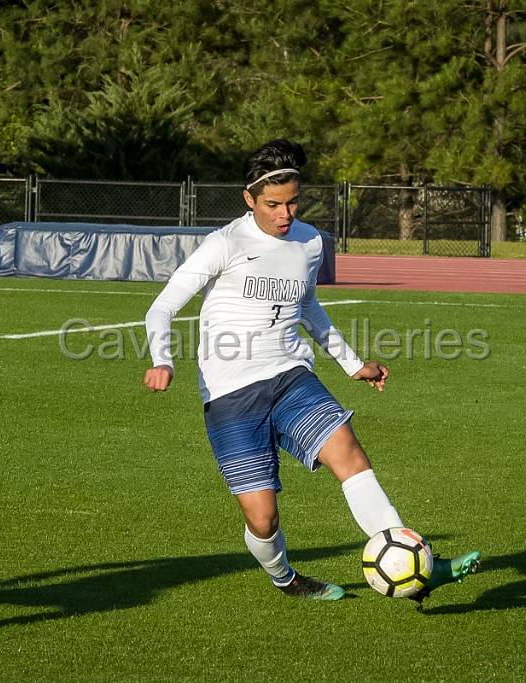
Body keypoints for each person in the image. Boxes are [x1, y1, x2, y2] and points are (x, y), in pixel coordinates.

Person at [143, 139, 479, 602]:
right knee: (263, 519)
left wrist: (352, 363)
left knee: (348, 454)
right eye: (273, 204)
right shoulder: (223, 243)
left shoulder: (308, 242)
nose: (285, 214)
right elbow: (161, 309)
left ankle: (420, 563)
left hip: (289, 376)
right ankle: (286, 579)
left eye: (293, 202)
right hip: (230, 395)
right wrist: (163, 358)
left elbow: (310, 308)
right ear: (249, 199)